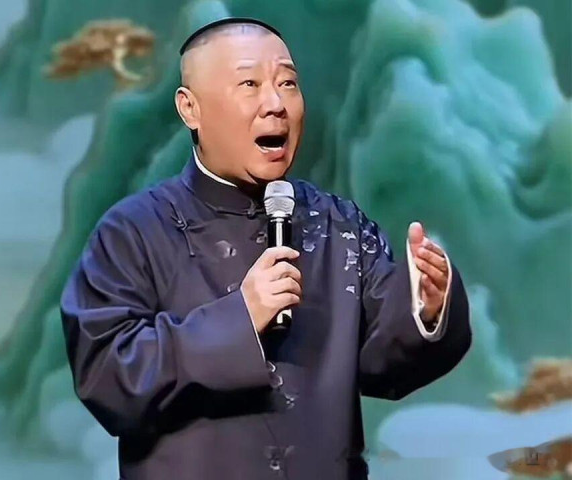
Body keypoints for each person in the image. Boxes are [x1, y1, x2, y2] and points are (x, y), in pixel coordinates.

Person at [60, 17, 471, 480]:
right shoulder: (132, 232)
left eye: (287, 83)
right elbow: (107, 376)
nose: (275, 104)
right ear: (190, 109)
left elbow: (384, 362)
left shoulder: (339, 225)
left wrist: (426, 305)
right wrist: (240, 318)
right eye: (249, 84)